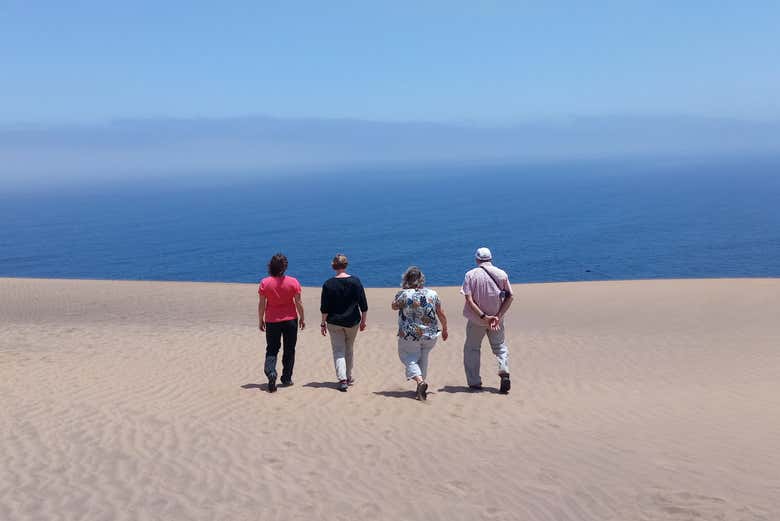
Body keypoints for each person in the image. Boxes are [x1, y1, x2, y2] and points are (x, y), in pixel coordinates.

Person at [461, 247, 514, 394]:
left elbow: (469, 300)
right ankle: (504, 371)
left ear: (477, 259)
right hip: (497, 320)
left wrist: (484, 316)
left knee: (472, 349)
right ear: (491, 258)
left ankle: (474, 382)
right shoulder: (502, 274)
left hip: (476, 320)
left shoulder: (470, 275)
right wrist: (498, 316)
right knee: (500, 347)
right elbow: (510, 296)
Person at [391, 266, 448, 401]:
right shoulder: (433, 294)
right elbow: (441, 313)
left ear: (406, 279)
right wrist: (445, 328)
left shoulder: (403, 294)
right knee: (424, 357)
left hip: (409, 334)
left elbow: (393, 306)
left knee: (408, 357)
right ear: (421, 279)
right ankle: (420, 386)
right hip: (430, 334)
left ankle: (420, 382)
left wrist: (403, 294)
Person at [320, 253, 368, 392]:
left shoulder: (328, 284)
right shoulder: (356, 281)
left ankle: (342, 379)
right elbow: (363, 305)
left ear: (334, 266)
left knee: (338, 350)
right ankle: (347, 375)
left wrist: (323, 323)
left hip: (334, 322)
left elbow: (324, 308)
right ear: (346, 265)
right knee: (349, 348)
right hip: (352, 322)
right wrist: (363, 321)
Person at [258, 253, 305, 393]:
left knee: (272, 348)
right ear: (285, 267)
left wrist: (260, 319)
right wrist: (302, 317)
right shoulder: (293, 282)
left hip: (272, 320)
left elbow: (261, 304)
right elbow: (298, 302)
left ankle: (271, 372)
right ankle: (286, 378)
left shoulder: (265, 283)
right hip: (290, 320)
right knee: (289, 349)